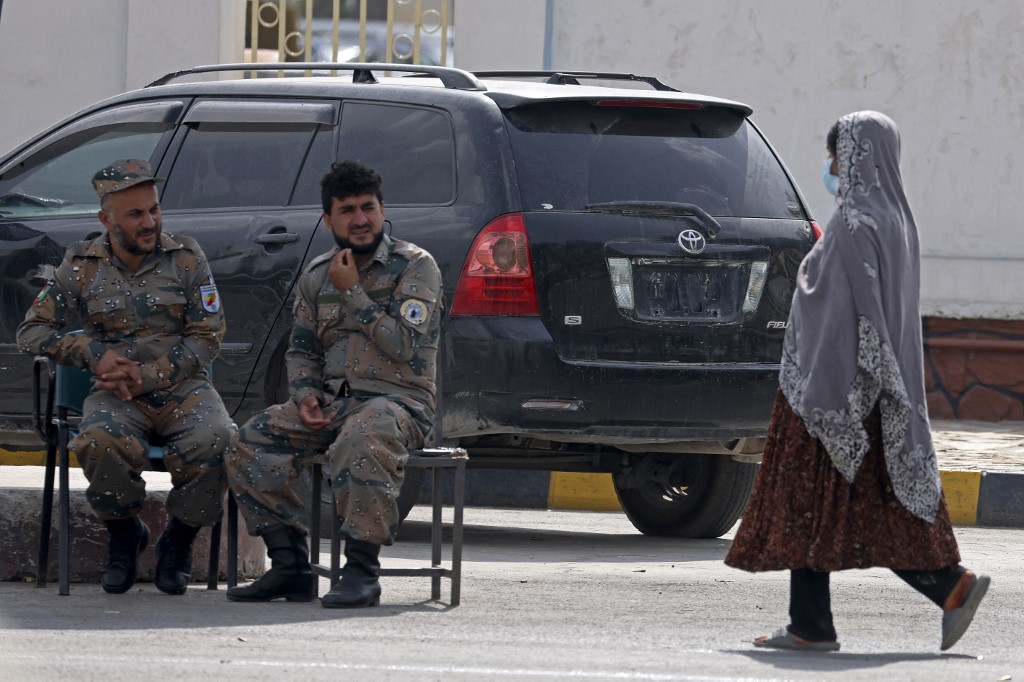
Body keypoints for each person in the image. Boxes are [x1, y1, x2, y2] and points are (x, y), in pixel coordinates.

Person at [724, 112, 990, 652]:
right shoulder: (897, 221)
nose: (831, 168)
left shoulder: (852, 225)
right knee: (865, 504)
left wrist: (828, 385)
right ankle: (940, 587)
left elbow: (840, 309)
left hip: (835, 387)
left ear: (858, 157)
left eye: (837, 156)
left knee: (810, 500)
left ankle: (817, 623)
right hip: (881, 390)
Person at [225, 160, 443, 608]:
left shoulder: (415, 266)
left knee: (364, 433)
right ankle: (290, 567)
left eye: (368, 207)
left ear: (383, 209)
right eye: (347, 210)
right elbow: (301, 350)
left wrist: (353, 293)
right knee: (248, 440)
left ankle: (362, 571)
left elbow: (402, 344)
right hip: (338, 400)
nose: (360, 219)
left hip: (399, 401)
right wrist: (305, 395)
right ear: (328, 219)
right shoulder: (316, 275)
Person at [17, 159, 233, 595]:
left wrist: (149, 376)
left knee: (220, 438)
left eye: (153, 210)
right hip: (114, 394)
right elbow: (32, 331)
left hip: (181, 389)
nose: (149, 222)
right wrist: (93, 354)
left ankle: (179, 540)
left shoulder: (186, 257)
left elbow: (209, 337)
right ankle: (123, 534)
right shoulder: (81, 264)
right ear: (106, 219)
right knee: (99, 439)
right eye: (135, 214)